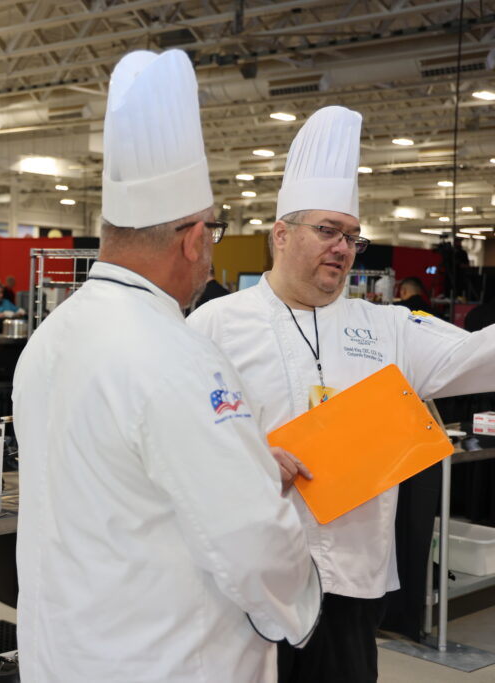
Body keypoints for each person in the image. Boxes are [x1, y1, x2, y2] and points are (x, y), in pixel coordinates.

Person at [13, 49, 321, 683]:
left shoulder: (51, 337)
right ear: (192, 238)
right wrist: (302, 592)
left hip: (67, 651)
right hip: (167, 657)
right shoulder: (177, 354)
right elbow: (251, 538)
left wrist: (243, 461)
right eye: (214, 231)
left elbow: (120, 480)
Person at [188, 105, 495, 683]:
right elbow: (177, 434)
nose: (343, 247)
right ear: (281, 234)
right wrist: (247, 459)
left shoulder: (388, 327)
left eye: (352, 236)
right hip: (248, 579)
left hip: (352, 580)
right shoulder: (217, 324)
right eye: (327, 231)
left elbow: (477, 357)